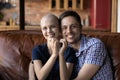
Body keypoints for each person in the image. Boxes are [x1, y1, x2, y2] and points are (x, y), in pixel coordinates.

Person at [59, 10, 113, 80]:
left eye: (73, 26)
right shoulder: (64, 49)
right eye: (64, 28)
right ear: (60, 31)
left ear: (81, 28)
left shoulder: (95, 45)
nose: (69, 31)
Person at [29, 13, 76, 80]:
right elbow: (40, 77)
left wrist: (61, 54)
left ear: (59, 29)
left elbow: (65, 79)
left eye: (53, 27)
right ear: (41, 31)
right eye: (45, 28)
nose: (49, 31)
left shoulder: (69, 51)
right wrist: (54, 55)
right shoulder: (37, 50)